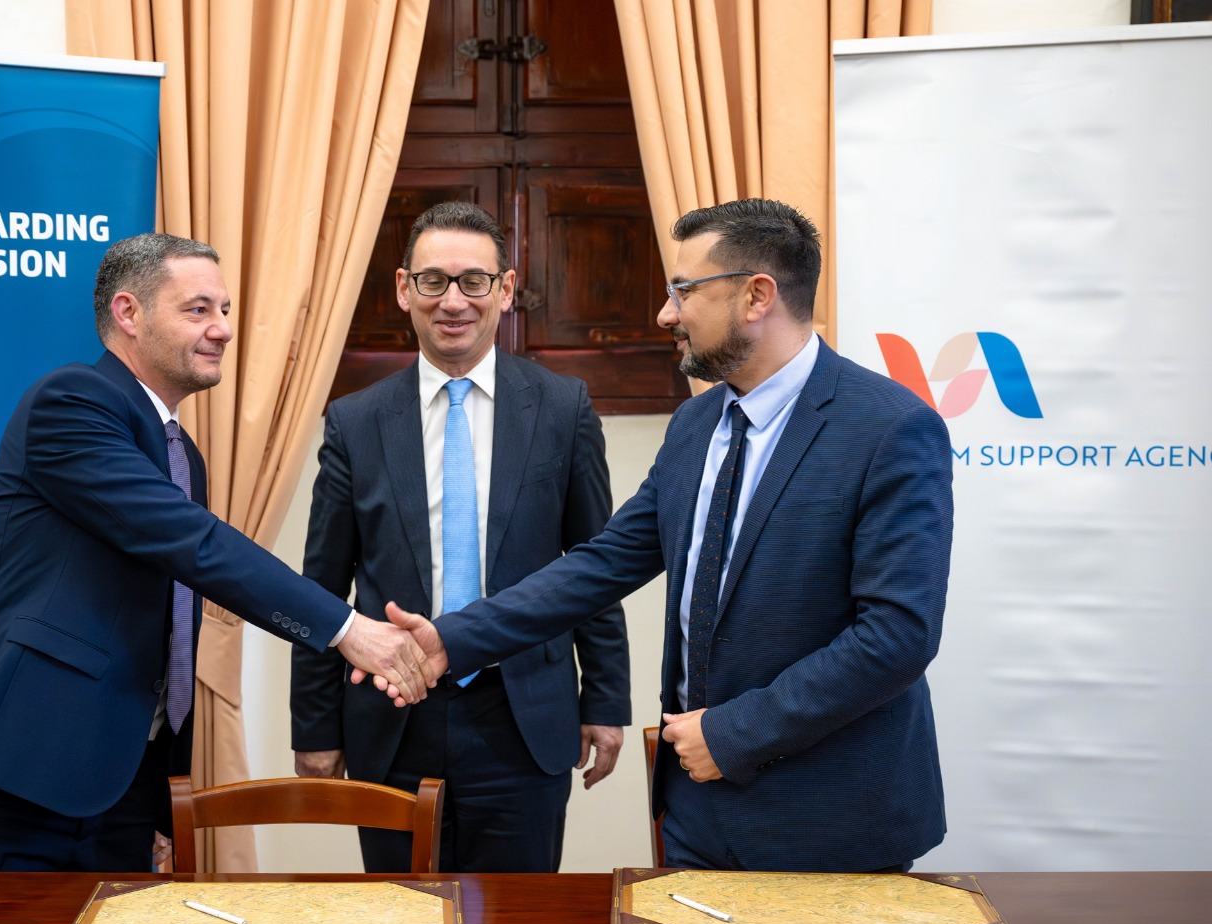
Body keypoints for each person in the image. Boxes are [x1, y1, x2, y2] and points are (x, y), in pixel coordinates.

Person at [385, 198, 953, 873]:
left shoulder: (891, 428)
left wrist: (734, 732)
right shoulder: (695, 425)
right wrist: (452, 639)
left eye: (684, 291)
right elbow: (603, 563)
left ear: (756, 296)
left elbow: (895, 637)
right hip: (696, 817)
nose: (665, 314)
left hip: (835, 822)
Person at [0, 232, 435, 872]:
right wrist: (348, 629)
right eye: (198, 309)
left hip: (118, 795)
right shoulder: (71, 403)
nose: (223, 329)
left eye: (226, 310)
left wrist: (158, 803)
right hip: (11, 778)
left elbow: (173, 630)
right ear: (129, 313)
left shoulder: (184, 456)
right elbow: (196, 545)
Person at [291, 202, 630, 873]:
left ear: (505, 290)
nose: (453, 302)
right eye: (433, 281)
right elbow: (321, 586)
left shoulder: (563, 408)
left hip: (523, 715)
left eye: (474, 281)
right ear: (403, 289)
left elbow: (596, 567)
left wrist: (605, 699)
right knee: (399, 920)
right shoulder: (355, 422)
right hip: (391, 718)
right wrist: (315, 725)